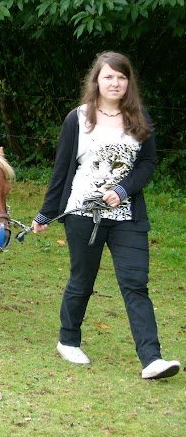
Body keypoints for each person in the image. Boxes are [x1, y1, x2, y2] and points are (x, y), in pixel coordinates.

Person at [31, 51, 180, 380]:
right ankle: (68, 340)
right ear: (96, 80)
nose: (115, 83)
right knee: (82, 280)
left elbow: (147, 164)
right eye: (109, 77)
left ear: (129, 83)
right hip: (83, 214)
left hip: (128, 217)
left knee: (135, 283)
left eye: (121, 77)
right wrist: (45, 213)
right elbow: (61, 172)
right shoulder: (78, 119)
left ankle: (151, 359)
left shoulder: (139, 118)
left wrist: (123, 190)